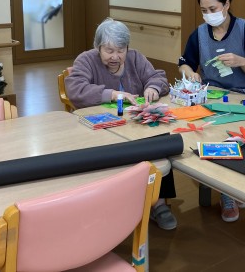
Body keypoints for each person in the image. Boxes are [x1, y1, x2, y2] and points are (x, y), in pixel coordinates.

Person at [65, 18, 177, 230]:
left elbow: (158, 77)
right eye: (109, 51)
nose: (115, 57)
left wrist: (153, 87)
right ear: (98, 47)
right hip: (103, 130)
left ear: (127, 48)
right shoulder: (86, 60)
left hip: (135, 125)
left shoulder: (135, 58)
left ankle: (159, 203)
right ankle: (114, 206)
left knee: (160, 142)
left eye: (120, 50)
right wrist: (112, 94)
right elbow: (75, 89)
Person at [178, 0, 245, 222]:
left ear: (226, 5)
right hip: (213, 97)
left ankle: (239, 188)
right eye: (203, 10)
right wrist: (190, 73)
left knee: (244, 145)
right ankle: (226, 193)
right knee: (216, 142)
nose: (208, 15)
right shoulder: (199, 34)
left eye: (212, 9)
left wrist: (241, 61)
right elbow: (184, 63)